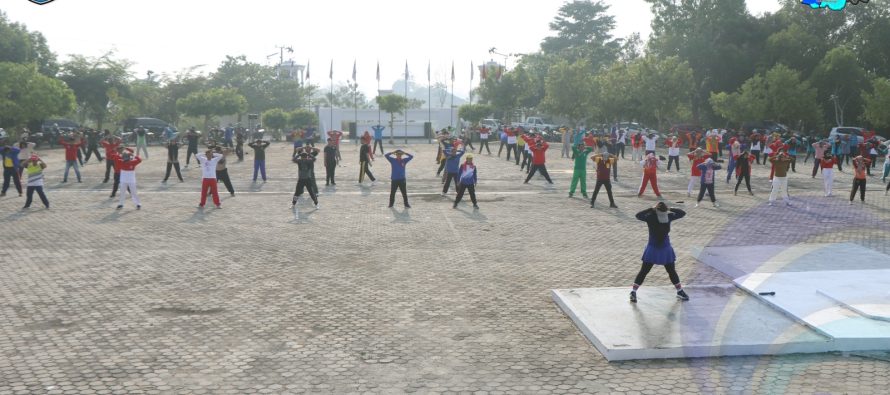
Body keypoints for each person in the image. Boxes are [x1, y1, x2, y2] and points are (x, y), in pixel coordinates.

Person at [630, 202, 689, 303]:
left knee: (644, 271)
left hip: (652, 249)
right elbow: (682, 213)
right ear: (665, 210)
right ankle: (680, 291)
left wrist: (650, 209)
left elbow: (638, 215)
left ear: (656, 210)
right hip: (665, 249)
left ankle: (633, 292)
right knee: (671, 271)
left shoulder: (650, 217)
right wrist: (670, 208)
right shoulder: (668, 216)